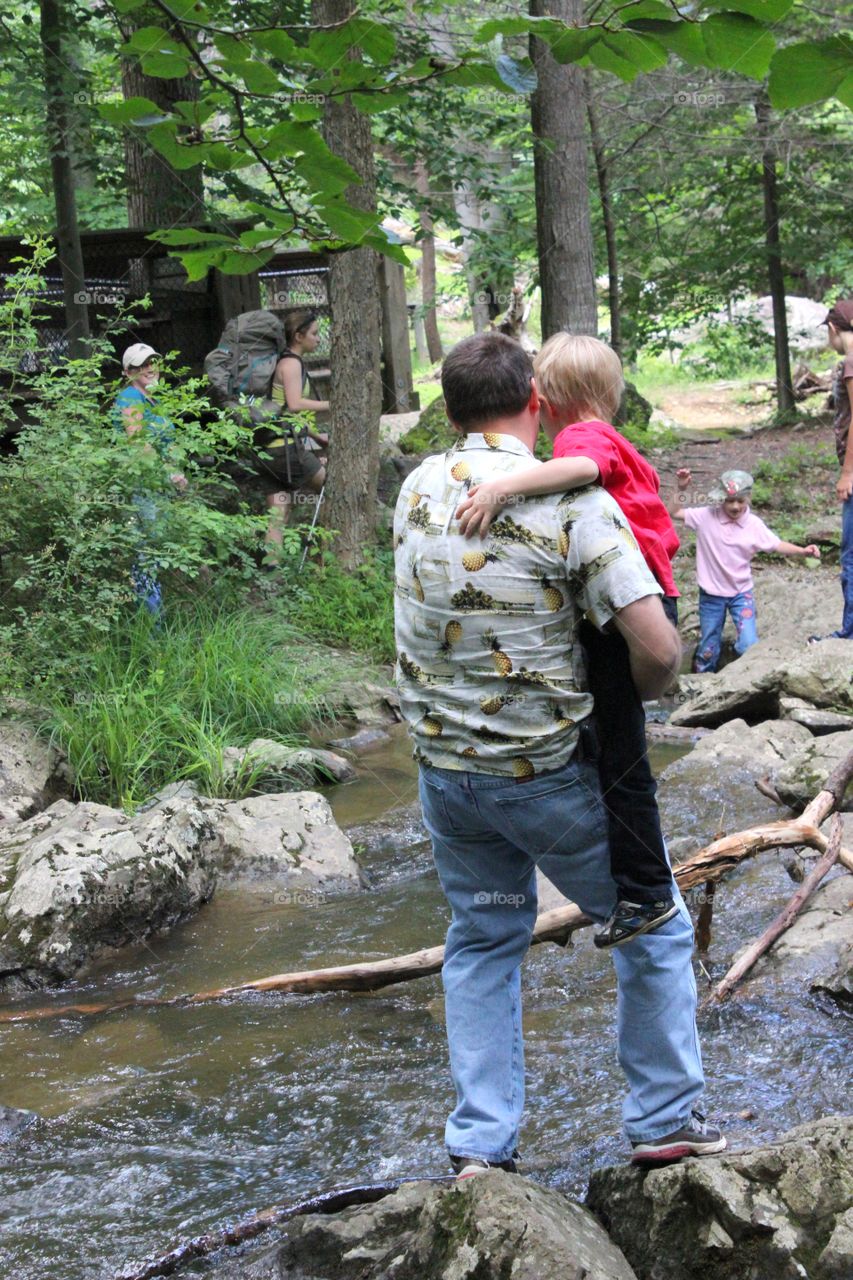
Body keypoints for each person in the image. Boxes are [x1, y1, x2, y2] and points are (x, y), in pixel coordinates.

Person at [394, 331, 725, 1179]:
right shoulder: (574, 504)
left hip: (446, 779)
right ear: (534, 401)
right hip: (550, 781)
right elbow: (654, 647)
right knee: (651, 926)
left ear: (449, 407)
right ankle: (661, 1119)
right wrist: (640, 696)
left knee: (483, 936)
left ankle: (478, 1146)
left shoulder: (416, 488)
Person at [454, 333, 680, 949]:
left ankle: (646, 893)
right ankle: (645, 887)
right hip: (641, 594)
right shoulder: (608, 433)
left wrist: (503, 488)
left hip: (629, 604)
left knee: (621, 755)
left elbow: (581, 472)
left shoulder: (581, 441)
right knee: (617, 745)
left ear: (546, 398)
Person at [669, 468, 820, 672]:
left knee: (749, 644)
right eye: (730, 500)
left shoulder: (753, 525)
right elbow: (674, 512)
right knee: (708, 646)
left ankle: (743, 677)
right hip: (711, 595)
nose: (735, 506)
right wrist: (681, 488)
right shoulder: (705, 516)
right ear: (721, 498)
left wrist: (803, 551)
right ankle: (701, 682)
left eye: (740, 500)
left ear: (748, 498)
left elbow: (775, 544)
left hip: (741, 593)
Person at [114, 343, 186, 612]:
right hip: (141, 487)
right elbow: (138, 442)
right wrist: (170, 473)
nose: (149, 369)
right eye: (140, 365)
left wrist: (176, 471)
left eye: (153, 362)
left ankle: (155, 622)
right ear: (127, 372)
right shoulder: (131, 398)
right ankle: (151, 630)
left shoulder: (154, 400)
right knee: (145, 555)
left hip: (158, 486)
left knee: (155, 553)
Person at [261, 310, 329, 557]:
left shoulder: (285, 362)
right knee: (332, 489)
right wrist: (333, 404)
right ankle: (325, 559)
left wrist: (316, 436)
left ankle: (271, 578)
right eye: (314, 333)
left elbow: (286, 414)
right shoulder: (291, 364)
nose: (318, 339)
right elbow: (295, 404)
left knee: (278, 515)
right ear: (299, 336)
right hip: (286, 450)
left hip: (270, 449)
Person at [809, 298, 853, 642]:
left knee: (850, 556)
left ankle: (850, 634)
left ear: (834, 329)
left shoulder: (851, 363)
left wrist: (848, 472)